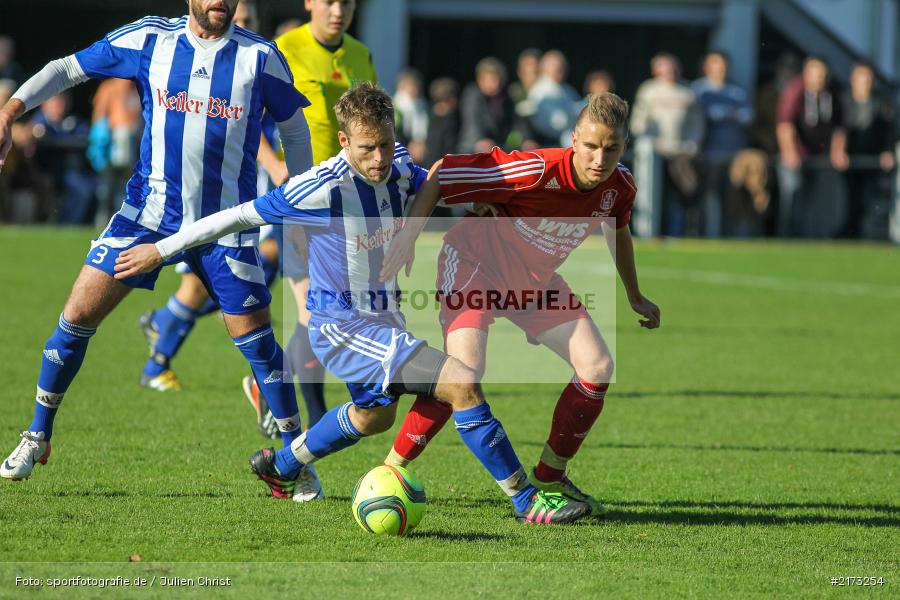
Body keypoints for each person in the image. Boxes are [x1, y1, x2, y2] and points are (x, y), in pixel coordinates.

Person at [113, 83, 592, 525]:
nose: (379, 157)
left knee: (375, 416)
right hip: (342, 324)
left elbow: (438, 181)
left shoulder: (400, 165)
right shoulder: (318, 187)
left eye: (385, 143)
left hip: (383, 317)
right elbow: (232, 218)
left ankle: (281, 465)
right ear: (344, 140)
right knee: (460, 382)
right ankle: (526, 500)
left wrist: (474, 210)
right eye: (367, 148)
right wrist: (161, 249)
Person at [0, 1, 321, 503]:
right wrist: (10, 109)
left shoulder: (259, 57)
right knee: (76, 315)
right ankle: (36, 436)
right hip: (147, 216)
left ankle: (293, 462)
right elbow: (68, 68)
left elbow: (295, 128)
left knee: (258, 345)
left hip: (225, 225)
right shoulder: (150, 39)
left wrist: (298, 199)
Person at [379, 92, 660, 516]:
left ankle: (550, 477)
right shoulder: (532, 169)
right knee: (463, 374)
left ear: (624, 146)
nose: (599, 158)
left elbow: (618, 231)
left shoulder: (619, 186)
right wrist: (407, 235)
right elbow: (442, 173)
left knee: (598, 367)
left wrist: (634, 295)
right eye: (590, 146)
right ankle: (391, 469)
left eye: (611, 148)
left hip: (534, 283)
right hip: (476, 265)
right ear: (574, 139)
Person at [135, 0, 287, 398]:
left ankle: (162, 330)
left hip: (258, 186)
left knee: (246, 273)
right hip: (230, 190)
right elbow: (239, 133)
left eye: (250, 18)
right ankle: (161, 346)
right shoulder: (231, 61)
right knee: (251, 266)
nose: (243, 22)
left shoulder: (260, 59)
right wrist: (279, 168)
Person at [243, 0, 379, 429]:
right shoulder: (283, 48)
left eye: (347, 3)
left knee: (338, 312)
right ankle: (313, 413)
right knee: (311, 312)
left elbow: (374, 128)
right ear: (309, 3)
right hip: (302, 202)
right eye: (329, 1)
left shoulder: (361, 54)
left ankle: (268, 384)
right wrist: (273, 164)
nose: (338, 10)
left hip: (351, 206)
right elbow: (247, 118)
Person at [630, 52, 705, 236]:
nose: (670, 72)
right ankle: (649, 233)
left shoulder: (688, 93)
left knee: (680, 196)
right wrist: (648, 142)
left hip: (680, 154)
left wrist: (692, 144)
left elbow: (697, 123)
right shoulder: (648, 91)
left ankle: (676, 234)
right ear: (656, 70)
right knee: (652, 196)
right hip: (655, 155)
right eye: (665, 68)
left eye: (673, 67)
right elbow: (638, 122)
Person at [776, 56, 848, 237]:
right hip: (797, 155)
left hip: (820, 158)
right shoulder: (796, 90)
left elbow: (840, 126)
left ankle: (815, 236)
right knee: (793, 196)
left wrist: (837, 151)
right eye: (815, 73)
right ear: (806, 74)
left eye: (823, 74)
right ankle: (788, 236)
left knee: (819, 200)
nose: (819, 78)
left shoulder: (832, 93)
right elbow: (785, 125)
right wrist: (790, 152)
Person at [691, 50, 753, 237]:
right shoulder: (698, 90)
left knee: (734, 195)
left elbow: (748, 117)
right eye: (716, 65)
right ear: (707, 67)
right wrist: (729, 114)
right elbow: (698, 118)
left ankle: (732, 235)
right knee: (710, 196)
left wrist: (723, 114)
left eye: (724, 65)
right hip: (709, 153)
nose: (721, 70)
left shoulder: (738, 91)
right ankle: (710, 234)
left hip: (735, 154)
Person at [836, 61, 896, 238]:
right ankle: (850, 232)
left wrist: (887, 151)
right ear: (853, 79)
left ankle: (867, 233)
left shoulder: (881, 103)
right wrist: (839, 150)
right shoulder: (844, 101)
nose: (865, 81)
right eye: (862, 77)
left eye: (869, 77)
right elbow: (839, 129)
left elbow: (888, 130)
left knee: (868, 199)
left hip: (872, 161)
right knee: (851, 199)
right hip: (850, 160)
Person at [527, 49, 582, 147]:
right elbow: (559, 121)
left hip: (569, 136)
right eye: (555, 67)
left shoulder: (567, 89)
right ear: (544, 68)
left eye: (561, 67)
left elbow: (581, 113)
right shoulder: (539, 91)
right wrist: (575, 112)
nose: (560, 70)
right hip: (549, 143)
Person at [393, 68, 429, 164]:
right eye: (411, 86)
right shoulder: (395, 106)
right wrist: (409, 147)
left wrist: (420, 144)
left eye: (416, 86)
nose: (415, 90)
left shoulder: (422, 104)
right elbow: (395, 132)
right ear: (402, 87)